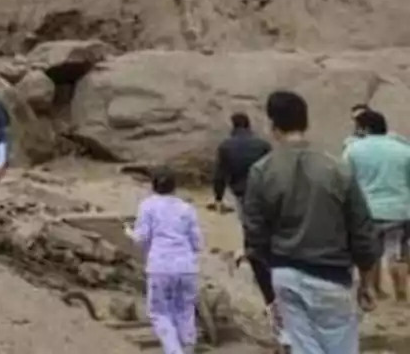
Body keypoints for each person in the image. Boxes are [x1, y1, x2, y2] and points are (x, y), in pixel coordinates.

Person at [242, 90, 380, 353]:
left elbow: (255, 235)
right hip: (332, 276)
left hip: (286, 275)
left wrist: (268, 279)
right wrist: (367, 280)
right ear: (306, 122)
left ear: (273, 126)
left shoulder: (262, 171)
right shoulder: (337, 169)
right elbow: (362, 230)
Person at [210, 113, 282, 348]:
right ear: (249, 125)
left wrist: (218, 196)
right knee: (267, 223)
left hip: (241, 190)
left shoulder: (226, 146)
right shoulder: (262, 144)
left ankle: (253, 252)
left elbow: (220, 173)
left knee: (248, 222)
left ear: (233, 125)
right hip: (265, 191)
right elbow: (274, 168)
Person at [126, 167, 203, 354]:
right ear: (174, 187)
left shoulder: (147, 206)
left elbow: (141, 238)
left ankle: (174, 350)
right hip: (186, 267)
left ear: (153, 186)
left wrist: (128, 231)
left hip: (160, 265)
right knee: (185, 310)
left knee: (160, 313)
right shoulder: (187, 208)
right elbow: (197, 242)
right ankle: (188, 347)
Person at [343, 108, 410, 303]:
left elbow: (346, 180)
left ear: (364, 128)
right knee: (396, 252)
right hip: (399, 210)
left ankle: (371, 290)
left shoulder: (353, 149)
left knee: (370, 253)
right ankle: (401, 293)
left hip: (367, 210)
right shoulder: (404, 149)